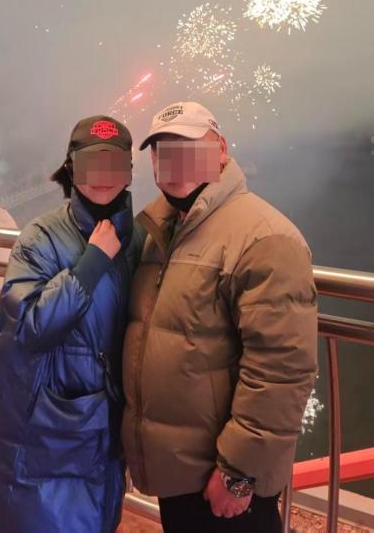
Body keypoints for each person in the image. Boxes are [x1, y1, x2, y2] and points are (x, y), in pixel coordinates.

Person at [122, 101, 318, 533]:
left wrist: (237, 473)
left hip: (224, 483)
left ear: (221, 149)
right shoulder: (157, 234)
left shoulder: (264, 237)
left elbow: (282, 371)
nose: (173, 161)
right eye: (162, 150)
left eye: (188, 147)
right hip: (179, 471)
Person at [0, 115, 142, 533]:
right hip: (51, 432)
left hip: (105, 433)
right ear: (71, 168)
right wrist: (91, 264)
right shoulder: (40, 238)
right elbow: (29, 326)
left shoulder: (139, 240)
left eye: (113, 164)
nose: (103, 177)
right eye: (91, 164)